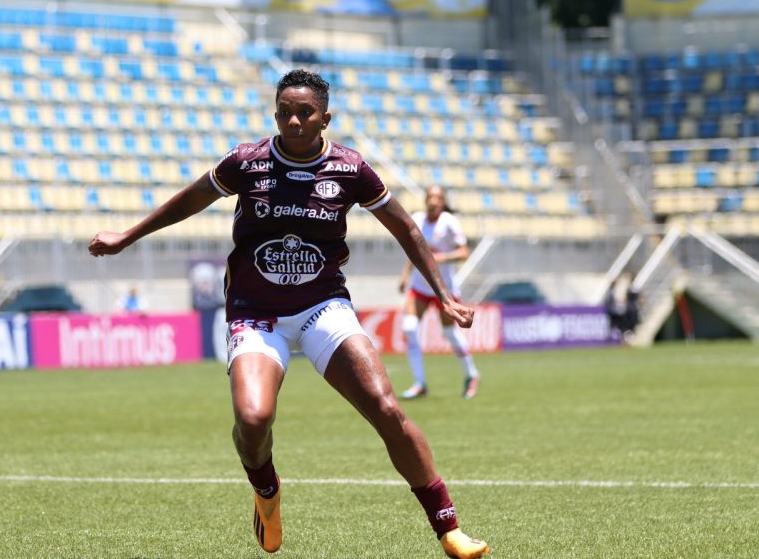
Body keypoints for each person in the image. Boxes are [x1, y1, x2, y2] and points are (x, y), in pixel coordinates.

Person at [88, 69, 489, 558]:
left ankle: (449, 529)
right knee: (254, 420)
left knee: (385, 406)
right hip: (255, 312)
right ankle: (266, 492)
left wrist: (443, 293)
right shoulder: (247, 162)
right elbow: (192, 198)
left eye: (305, 112)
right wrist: (127, 236)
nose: (293, 120)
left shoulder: (350, 168)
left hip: (323, 306)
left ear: (326, 117)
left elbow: (405, 225)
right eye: (284, 112)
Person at [397, 185, 481, 400]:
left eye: (437, 197)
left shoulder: (449, 222)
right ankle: (420, 383)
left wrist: (439, 258)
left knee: (450, 333)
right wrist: (405, 275)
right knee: (409, 328)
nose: (433, 201)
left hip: (444, 289)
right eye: (430, 197)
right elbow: (413, 249)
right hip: (419, 287)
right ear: (425, 200)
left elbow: (464, 251)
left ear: (443, 202)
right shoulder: (417, 218)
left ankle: (471, 374)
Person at [605, 272, 640, 342]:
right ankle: (624, 339)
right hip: (630, 310)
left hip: (630, 309)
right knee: (625, 325)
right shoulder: (632, 288)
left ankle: (626, 339)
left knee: (628, 325)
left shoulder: (632, 288)